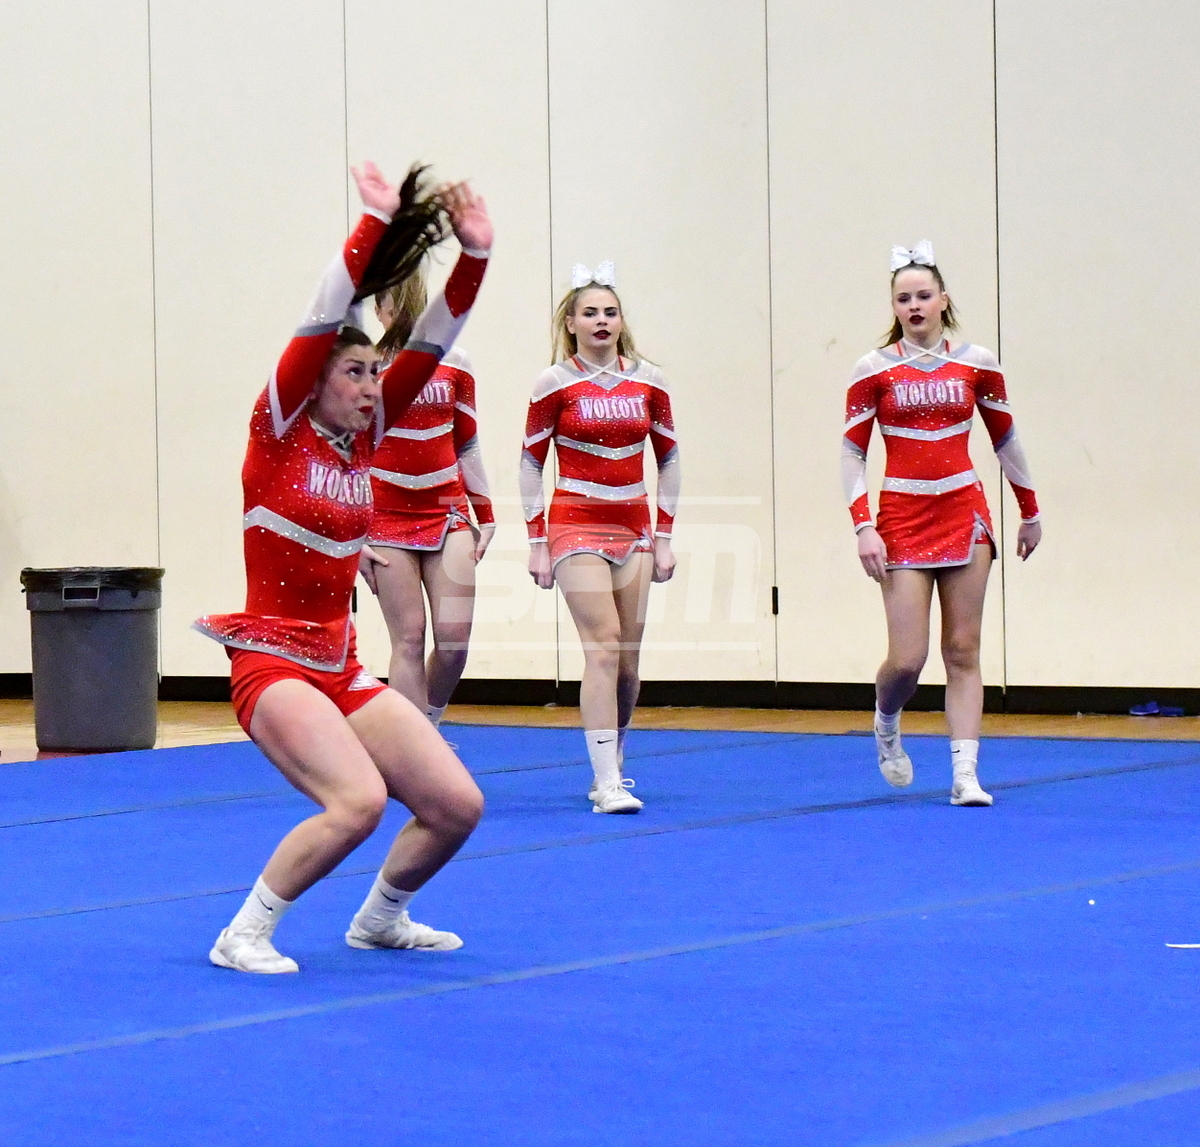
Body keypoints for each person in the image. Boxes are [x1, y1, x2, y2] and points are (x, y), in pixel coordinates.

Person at [194, 162, 492, 973]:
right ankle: (243, 931)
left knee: (456, 803)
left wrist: (476, 256)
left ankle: (380, 918)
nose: (371, 387)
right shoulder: (277, 431)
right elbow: (324, 311)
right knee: (357, 800)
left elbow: (436, 337)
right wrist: (375, 223)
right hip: (273, 663)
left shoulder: (365, 441)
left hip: (339, 666)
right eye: (354, 372)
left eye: (375, 374)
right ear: (314, 379)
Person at [841, 241, 1041, 806]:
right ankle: (886, 718)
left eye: (924, 296)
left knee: (962, 648)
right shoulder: (874, 369)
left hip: (964, 513)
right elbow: (852, 452)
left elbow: (1005, 439)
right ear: (893, 306)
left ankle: (965, 773)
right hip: (902, 519)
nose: (914, 306)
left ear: (944, 299)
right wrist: (863, 525)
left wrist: (1030, 510)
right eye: (903, 299)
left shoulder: (977, 363)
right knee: (908, 659)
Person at [521, 262, 679, 814]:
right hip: (575, 523)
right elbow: (530, 462)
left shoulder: (649, 380)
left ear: (621, 321)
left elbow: (669, 458)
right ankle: (606, 781)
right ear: (571, 323)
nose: (601, 321)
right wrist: (537, 540)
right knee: (604, 642)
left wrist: (664, 535)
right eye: (589, 313)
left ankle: (615, 757)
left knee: (627, 662)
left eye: (610, 312)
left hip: (633, 524)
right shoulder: (554, 383)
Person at [357, 270, 495, 726]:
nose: (398, 316)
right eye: (390, 307)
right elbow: (347, 453)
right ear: (379, 312)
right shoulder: (367, 369)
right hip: (384, 516)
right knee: (410, 639)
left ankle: (426, 727)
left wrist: (486, 514)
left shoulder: (455, 361)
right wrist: (352, 534)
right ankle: (412, 748)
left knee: (453, 641)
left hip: (446, 509)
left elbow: (467, 442)